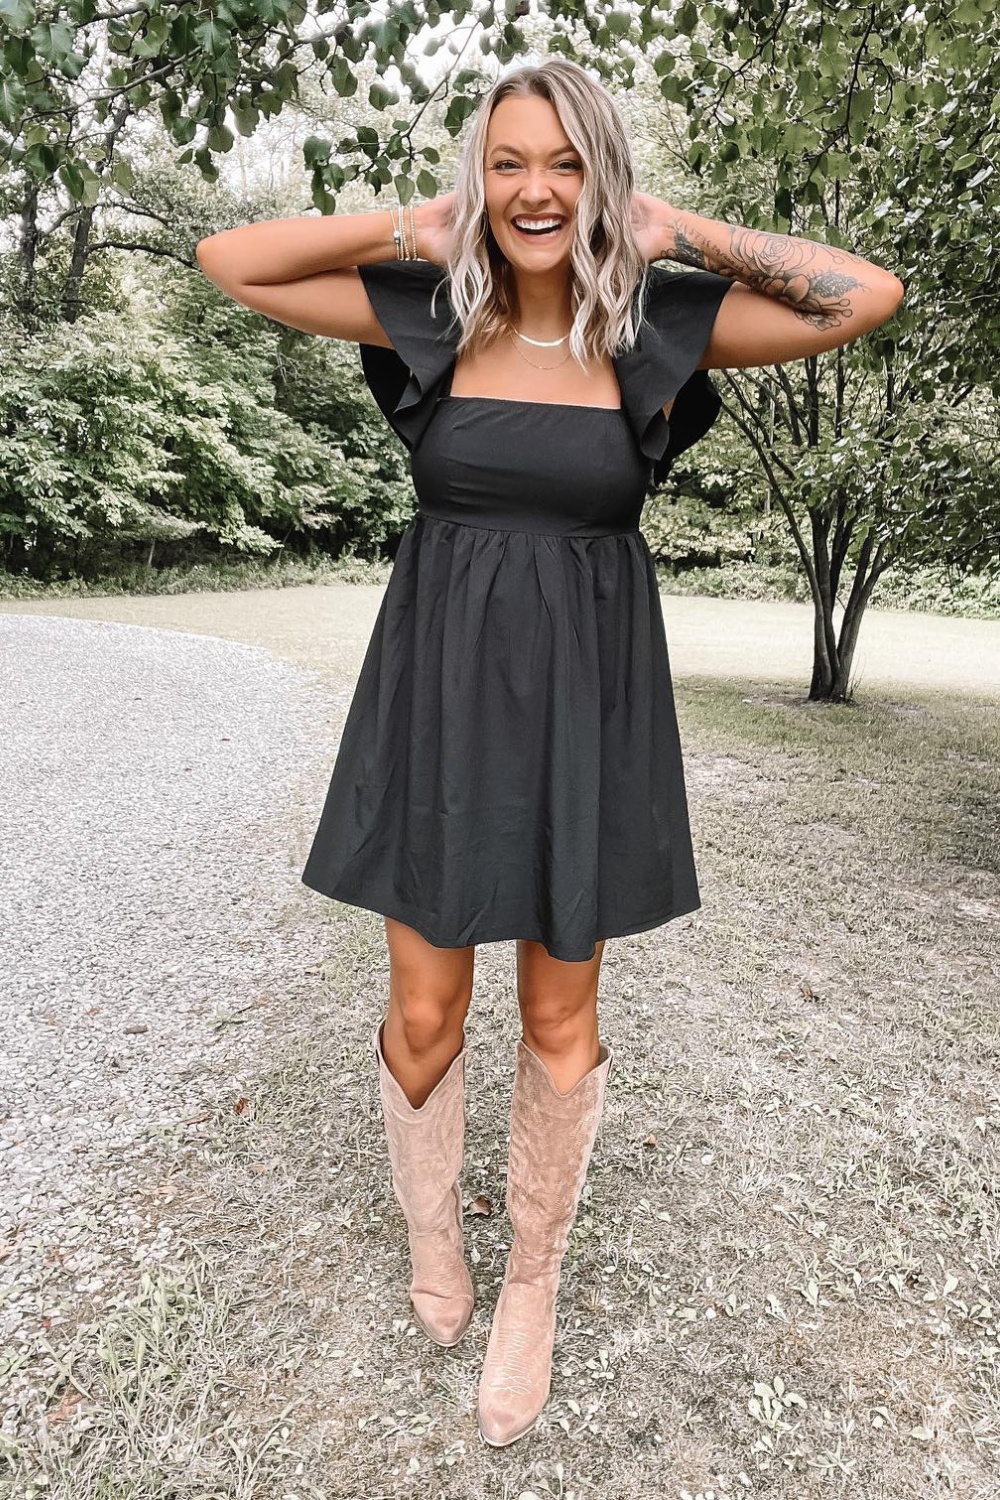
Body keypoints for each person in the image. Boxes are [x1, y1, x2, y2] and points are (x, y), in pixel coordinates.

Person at [196, 58, 903, 1448]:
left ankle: (532, 1278)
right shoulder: (427, 317)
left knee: (559, 1015)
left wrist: (680, 233)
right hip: (437, 695)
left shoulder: (657, 329)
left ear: (604, 179)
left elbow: (864, 292)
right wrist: (430, 222)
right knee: (421, 1012)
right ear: (482, 175)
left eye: (567, 164)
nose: (536, 190)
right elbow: (234, 257)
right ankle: (434, 1237)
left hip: (588, 701)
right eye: (510, 161)